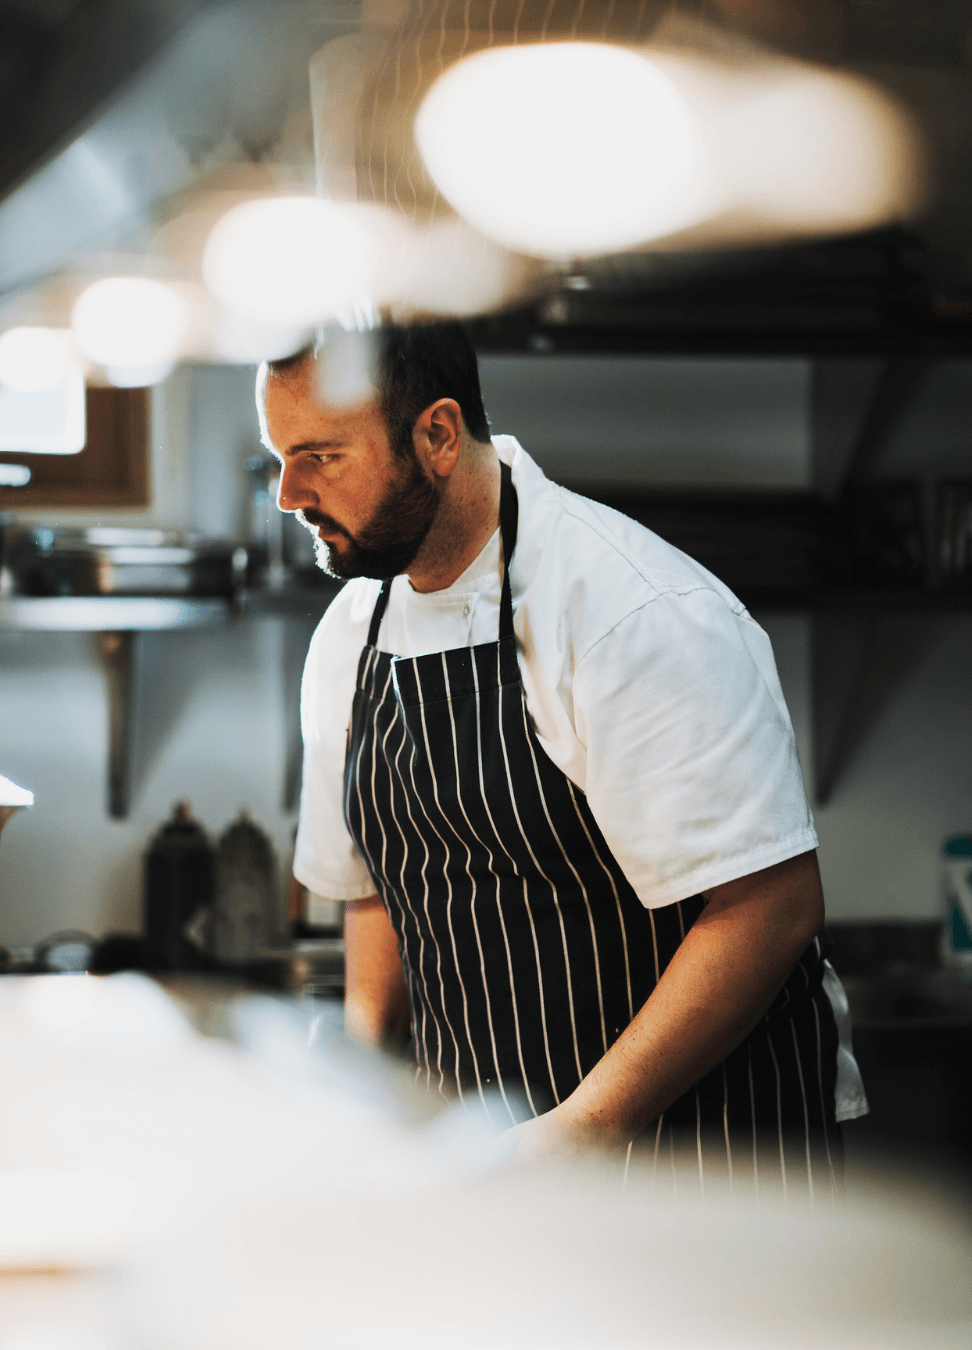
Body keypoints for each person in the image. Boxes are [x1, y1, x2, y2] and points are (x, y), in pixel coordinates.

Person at [258, 323, 866, 1186]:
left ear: (436, 435)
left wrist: (583, 1126)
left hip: (703, 1160)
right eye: (279, 456)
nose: (288, 493)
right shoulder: (354, 636)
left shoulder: (630, 610)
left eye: (319, 456)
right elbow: (377, 892)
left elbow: (769, 907)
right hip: (485, 1166)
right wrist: (363, 1073)